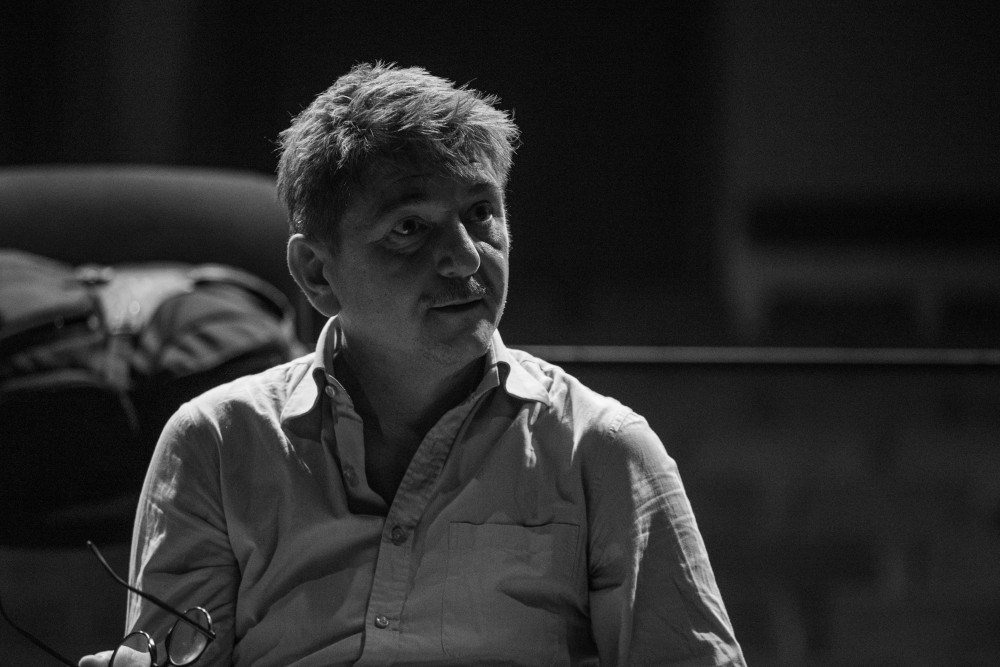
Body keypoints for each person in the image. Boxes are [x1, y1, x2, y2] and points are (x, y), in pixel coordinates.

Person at [80, 62, 745, 666]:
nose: (466, 257)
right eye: (409, 228)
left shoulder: (599, 450)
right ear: (316, 273)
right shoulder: (217, 443)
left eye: (481, 213)